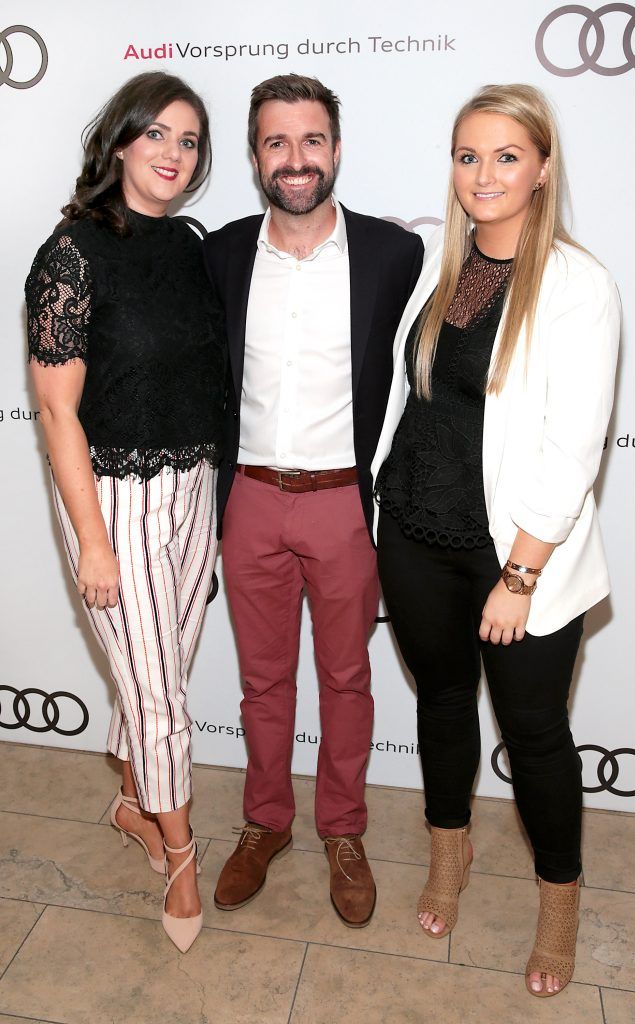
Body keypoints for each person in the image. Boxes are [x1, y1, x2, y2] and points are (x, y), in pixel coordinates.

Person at [372, 84, 619, 994]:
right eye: (468, 155)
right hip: (412, 532)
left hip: (515, 555)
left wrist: (519, 575)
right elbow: (416, 410)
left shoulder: (578, 284)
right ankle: (450, 856)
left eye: (506, 155)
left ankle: (559, 903)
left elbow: (572, 447)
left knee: (534, 733)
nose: (483, 174)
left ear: (542, 169)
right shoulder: (446, 271)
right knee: (439, 703)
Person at [204, 73, 423, 927]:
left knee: (345, 677)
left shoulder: (391, 253)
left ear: (335, 147)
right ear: (256, 154)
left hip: (342, 503)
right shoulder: (219, 253)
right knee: (263, 682)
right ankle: (266, 822)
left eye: (311, 141)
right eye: (275, 143)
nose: (295, 161)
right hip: (250, 497)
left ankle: (343, 830)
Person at [26, 71, 227, 953]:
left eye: (188, 141)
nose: (173, 154)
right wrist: (94, 544)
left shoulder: (189, 244)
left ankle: (130, 802)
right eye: (157, 135)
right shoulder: (69, 253)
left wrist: (215, 502)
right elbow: (57, 411)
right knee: (159, 697)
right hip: (112, 496)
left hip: (192, 489)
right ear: (118, 143)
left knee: (162, 672)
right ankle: (181, 858)